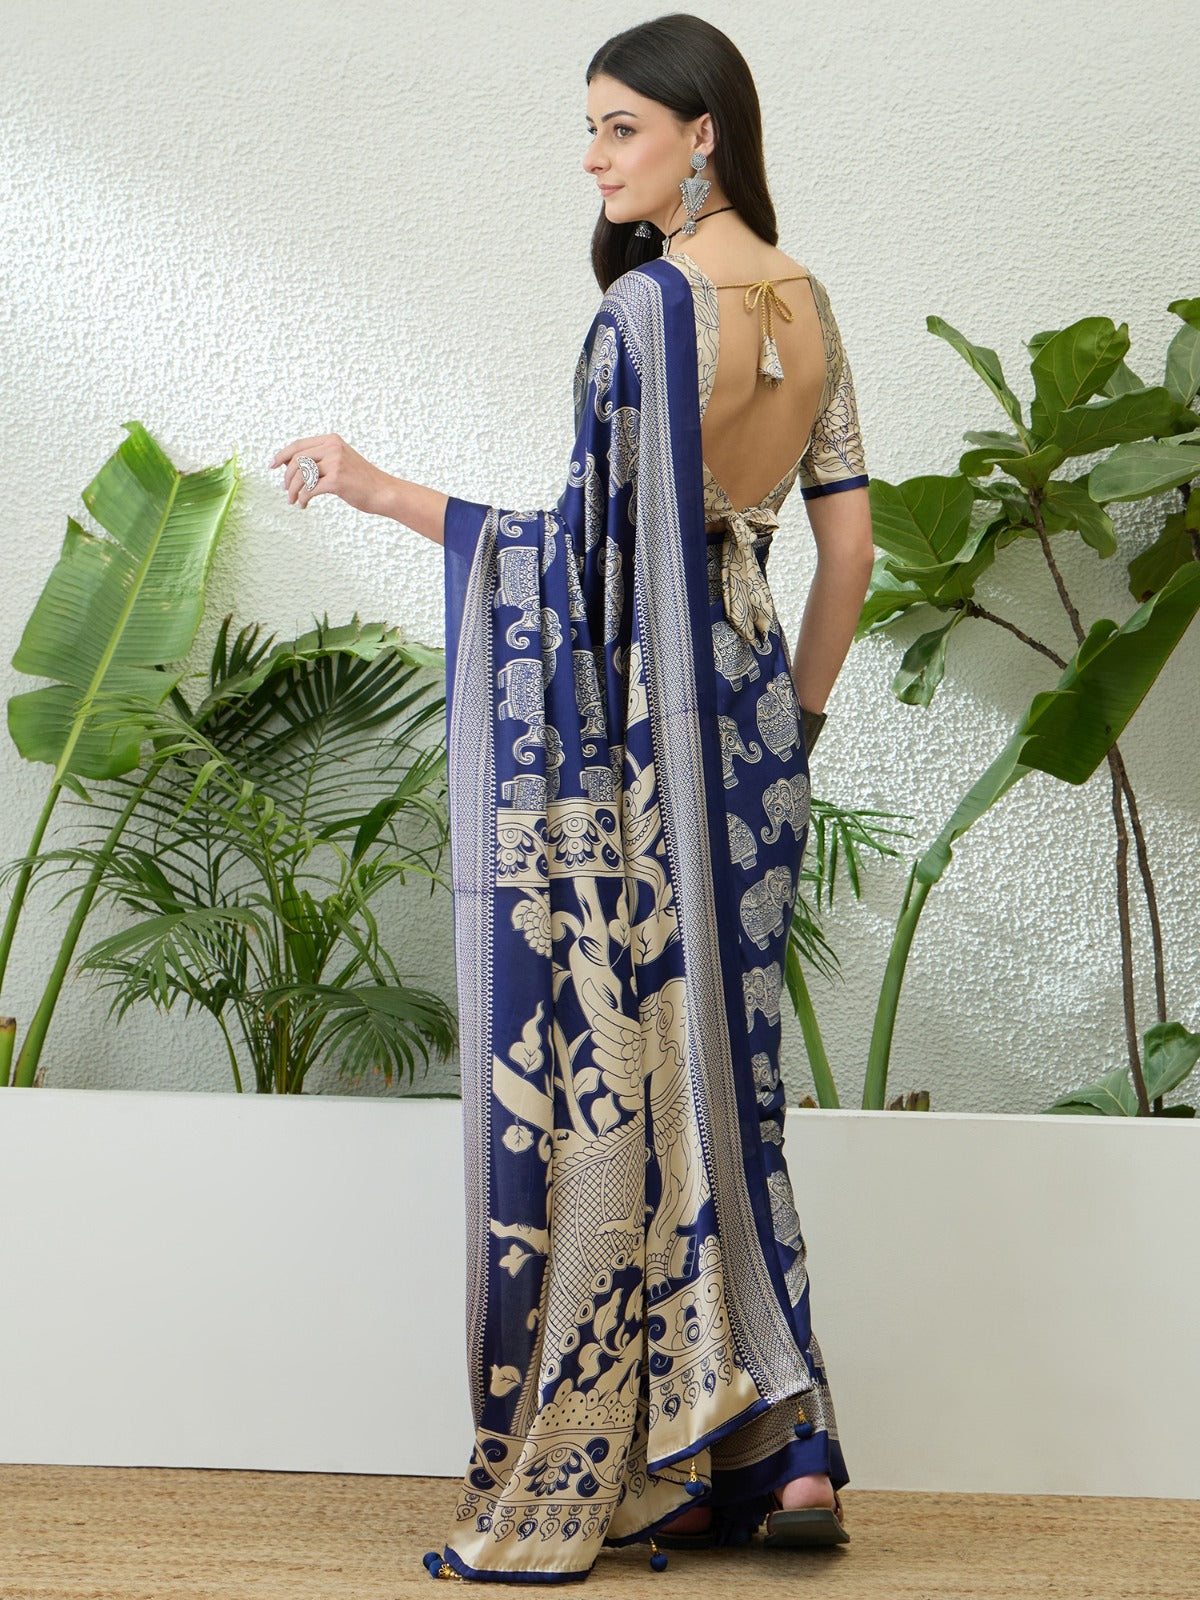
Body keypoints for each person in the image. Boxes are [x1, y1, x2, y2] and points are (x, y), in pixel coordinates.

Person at [270, 12, 875, 1585]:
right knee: (725, 1080)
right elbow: (851, 553)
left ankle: (691, 1447)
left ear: (701, 137)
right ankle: (780, 1445)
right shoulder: (808, 308)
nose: (594, 157)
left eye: (618, 129)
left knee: (655, 1085)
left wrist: (377, 483)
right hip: (752, 729)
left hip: (646, 746)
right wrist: (794, 728)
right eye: (593, 130)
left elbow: (572, 558)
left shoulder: (645, 319)